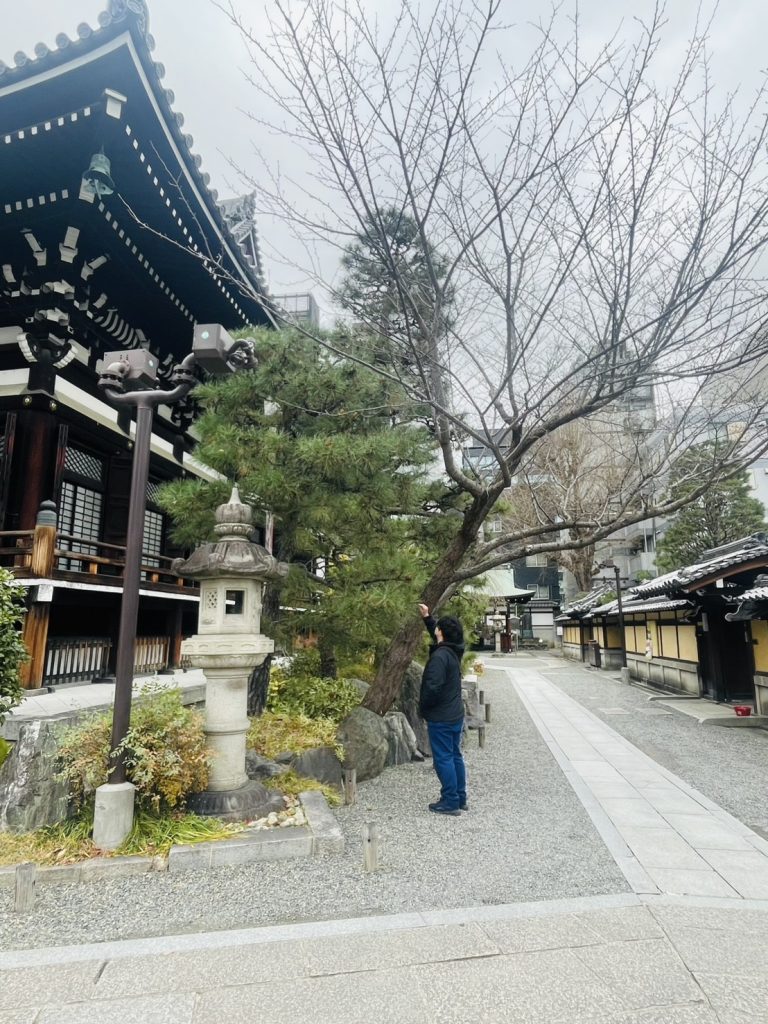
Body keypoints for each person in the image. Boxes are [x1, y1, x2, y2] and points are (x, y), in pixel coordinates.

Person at [418, 603, 467, 816]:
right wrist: (428, 618)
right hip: (455, 713)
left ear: (441, 632)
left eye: (437, 627)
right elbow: (441, 637)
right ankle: (460, 796)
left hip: (441, 716)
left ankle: (450, 801)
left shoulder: (439, 657)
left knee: (444, 758)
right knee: (455, 755)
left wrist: (424, 709)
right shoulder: (454, 650)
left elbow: (432, 687)